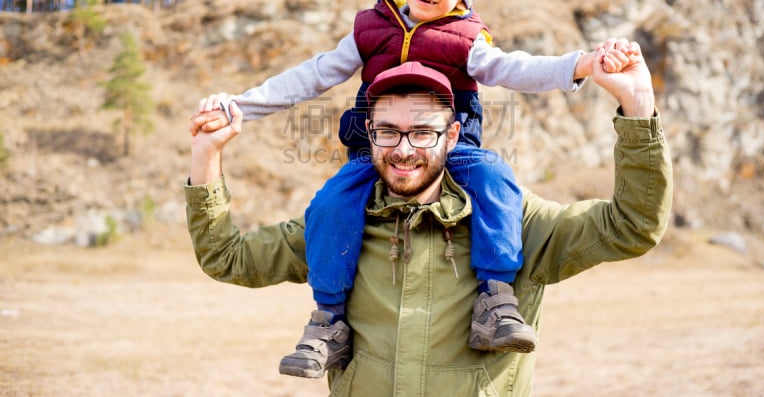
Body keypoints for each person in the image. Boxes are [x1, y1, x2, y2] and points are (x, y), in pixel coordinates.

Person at [191, 0, 635, 378]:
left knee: (495, 178)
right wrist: (239, 106)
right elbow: (313, 75)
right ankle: (327, 320)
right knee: (330, 204)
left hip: (450, 147)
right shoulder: (371, 28)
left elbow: (513, 69)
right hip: (375, 149)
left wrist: (581, 64)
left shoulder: (466, 39)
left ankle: (496, 297)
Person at [185, 49, 672, 395]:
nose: (402, 149)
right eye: (388, 132)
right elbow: (227, 259)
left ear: (453, 134)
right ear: (368, 134)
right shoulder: (339, 225)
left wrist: (638, 108)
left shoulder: (513, 224)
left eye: (422, 132)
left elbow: (632, 224)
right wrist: (206, 156)